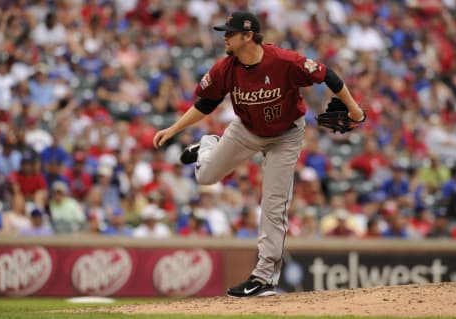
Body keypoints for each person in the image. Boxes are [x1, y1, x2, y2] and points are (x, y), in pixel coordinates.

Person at [153, 11, 365, 297]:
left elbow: (329, 74)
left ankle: (264, 277)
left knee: (273, 206)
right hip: (246, 130)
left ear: (248, 35)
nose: (224, 37)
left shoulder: (284, 61)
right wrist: (173, 129)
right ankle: (208, 145)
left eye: (230, 32)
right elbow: (206, 104)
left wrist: (354, 110)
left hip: (286, 136)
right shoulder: (225, 68)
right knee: (205, 177)